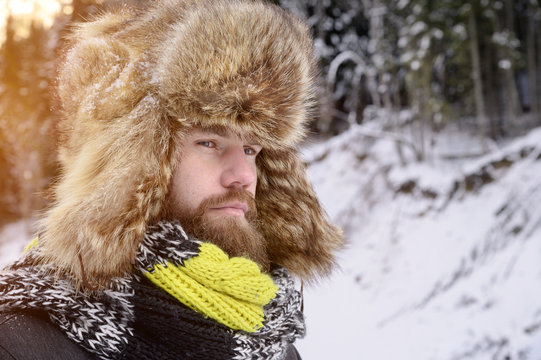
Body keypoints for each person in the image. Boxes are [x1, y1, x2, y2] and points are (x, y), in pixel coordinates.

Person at [0, 0, 343, 359]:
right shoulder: (22, 343)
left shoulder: (271, 340)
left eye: (251, 150)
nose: (243, 176)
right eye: (209, 142)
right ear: (132, 161)